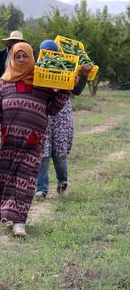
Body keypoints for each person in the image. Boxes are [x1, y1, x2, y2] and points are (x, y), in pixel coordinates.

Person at [0, 42, 72, 238]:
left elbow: (53, 108)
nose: (22, 59)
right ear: (12, 58)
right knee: (5, 179)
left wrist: (65, 89)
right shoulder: (5, 82)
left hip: (33, 141)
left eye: (25, 56)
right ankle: (9, 214)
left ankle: (20, 222)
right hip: (9, 141)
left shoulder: (42, 82)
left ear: (32, 58)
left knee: (26, 180)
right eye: (18, 56)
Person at [35, 39, 93, 200]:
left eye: (51, 53)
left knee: (59, 152)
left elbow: (77, 91)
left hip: (61, 116)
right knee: (43, 152)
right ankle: (41, 189)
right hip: (43, 114)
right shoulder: (36, 70)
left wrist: (84, 76)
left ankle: (62, 180)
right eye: (44, 52)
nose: (47, 56)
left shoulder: (66, 70)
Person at [0, 30, 26, 94]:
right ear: (10, 41)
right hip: (5, 84)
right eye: (14, 40)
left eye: (18, 41)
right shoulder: (2, 54)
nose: (16, 43)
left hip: (21, 84)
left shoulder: (27, 54)